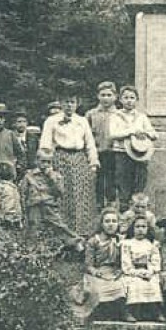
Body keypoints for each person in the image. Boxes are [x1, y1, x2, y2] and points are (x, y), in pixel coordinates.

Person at [39, 90, 99, 236]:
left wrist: (93, 164)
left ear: (77, 104)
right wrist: (47, 167)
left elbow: (90, 144)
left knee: (81, 196)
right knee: (62, 196)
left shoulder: (82, 121)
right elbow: (45, 145)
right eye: (66, 102)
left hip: (79, 160)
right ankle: (63, 235)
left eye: (72, 102)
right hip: (60, 159)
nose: (69, 105)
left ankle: (83, 234)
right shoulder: (51, 121)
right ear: (60, 103)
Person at [109, 85, 158, 210]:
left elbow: (154, 134)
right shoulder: (115, 116)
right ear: (120, 99)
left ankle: (138, 211)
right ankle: (124, 210)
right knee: (123, 184)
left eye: (132, 97)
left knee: (139, 183)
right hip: (122, 153)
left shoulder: (141, 117)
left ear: (137, 100)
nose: (129, 100)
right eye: (126, 97)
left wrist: (145, 133)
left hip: (140, 155)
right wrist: (131, 131)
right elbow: (113, 134)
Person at [18, 149, 76, 246]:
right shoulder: (29, 176)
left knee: (60, 226)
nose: (46, 164)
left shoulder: (56, 176)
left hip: (49, 206)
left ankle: (77, 244)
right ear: (37, 161)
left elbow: (61, 192)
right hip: (34, 206)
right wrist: (23, 209)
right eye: (43, 161)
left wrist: (52, 178)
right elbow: (23, 192)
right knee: (33, 227)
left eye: (48, 162)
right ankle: (32, 250)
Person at [80, 207, 127, 320]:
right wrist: (95, 272)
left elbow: (125, 259)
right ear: (101, 224)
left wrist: (121, 270)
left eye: (114, 221)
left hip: (116, 271)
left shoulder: (121, 240)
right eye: (107, 221)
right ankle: (100, 313)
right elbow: (88, 264)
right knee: (97, 289)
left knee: (122, 285)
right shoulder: (94, 241)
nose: (111, 225)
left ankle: (121, 313)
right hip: (98, 271)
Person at [120, 213, 164, 323]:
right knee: (134, 283)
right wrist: (137, 272)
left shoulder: (152, 244)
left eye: (143, 227)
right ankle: (131, 311)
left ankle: (156, 311)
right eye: (137, 227)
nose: (140, 230)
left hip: (148, 271)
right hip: (133, 272)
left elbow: (155, 261)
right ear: (132, 228)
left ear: (148, 229)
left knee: (154, 282)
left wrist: (151, 271)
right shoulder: (127, 244)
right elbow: (126, 264)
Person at [86, 81, 119, 210]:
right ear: (98, 96)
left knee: (112, 181)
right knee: (98, 182)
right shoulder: (91, 114)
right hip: (97, 153)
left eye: (109, 95)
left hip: (114, 153)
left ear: (115, 97)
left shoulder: (119, 114)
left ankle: (112, 208)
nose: (106, 98)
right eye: (103, 95)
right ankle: (97, 207)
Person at [0, 162, 24, 229]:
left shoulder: (2, 187)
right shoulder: (9, 189)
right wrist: (13, 219)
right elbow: (9, 205)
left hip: (3, 218)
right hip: (9, 221)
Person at [11, 109, 30, 178]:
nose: (22, 124)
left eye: (24, 122)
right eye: (19, 122)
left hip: (29, 172)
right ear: (14, 124)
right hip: (14, 171)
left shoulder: (33, 138)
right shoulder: (9, 137)